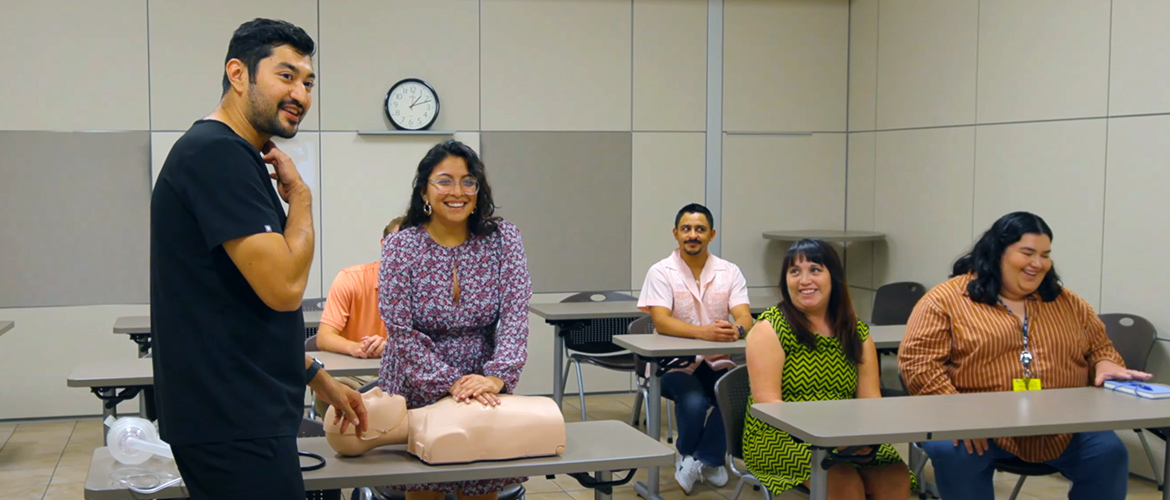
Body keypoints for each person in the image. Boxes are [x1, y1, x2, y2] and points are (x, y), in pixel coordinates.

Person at [150, 18, 367, 500]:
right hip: (231, 418)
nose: (301, 94)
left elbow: (233, 303)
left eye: (308, 82)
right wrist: (303, 202)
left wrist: (316, 377)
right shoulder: (217, 155)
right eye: (285, 76)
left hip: (234, 411)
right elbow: (285, 289)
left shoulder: (228, 154)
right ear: (238, 74)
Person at [898, 211, 1151, 500]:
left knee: (1108, 453)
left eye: (1045, 254)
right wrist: (959, 415)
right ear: (997, 252)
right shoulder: (945, 299)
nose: (1038, 263)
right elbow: (919, 364)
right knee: (955, 452)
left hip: (1060, 426)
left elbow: (1100, 348)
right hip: (974, 422)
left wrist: (1105, 363)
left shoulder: (1067, 302)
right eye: (1027, 252)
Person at [378, 140, 533, 500]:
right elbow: (399, 329)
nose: (458, 192)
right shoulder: (401, 247)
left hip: (483, 389)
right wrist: (450, 384)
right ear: (424, 191)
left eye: (468, 181)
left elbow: (515, 313)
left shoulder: (503, 239)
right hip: (416, 387)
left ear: (479, 191)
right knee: (425, 487)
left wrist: (494, 378)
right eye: (445, 181)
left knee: (480, 487)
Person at [743, 239, 913, 500]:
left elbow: (870, 399)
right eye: (794, 271)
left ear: (833, 277)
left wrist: (859, 438)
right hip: (782, 437)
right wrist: (829, 440)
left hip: (846, 434)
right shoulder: (770, 327)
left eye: (815, 270)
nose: (804, 280)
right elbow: (769, 405)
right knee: (843, 483)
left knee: (895, 477)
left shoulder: (856, 331)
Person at [636, 203, 753, 493]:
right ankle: (696, 455)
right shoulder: (661, 271)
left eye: (700, 229)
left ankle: (703, 459)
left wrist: (737, 329)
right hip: (673, 363)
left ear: (711, 234)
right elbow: (662, 322)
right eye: (686, 229)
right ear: (675, 233)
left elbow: (745, 317)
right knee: (694, 402)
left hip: (717, 361)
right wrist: (706, 334)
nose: (693, 235)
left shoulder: (730, 271)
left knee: (744, 392)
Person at [312, 216, 404, 416]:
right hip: (353, 376)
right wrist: (356, 348)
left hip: (402, 376)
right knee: (329, 392)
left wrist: (391, 347)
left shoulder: (429, 290)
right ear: (383, 245)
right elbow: (324, 337)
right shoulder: (351, 279)